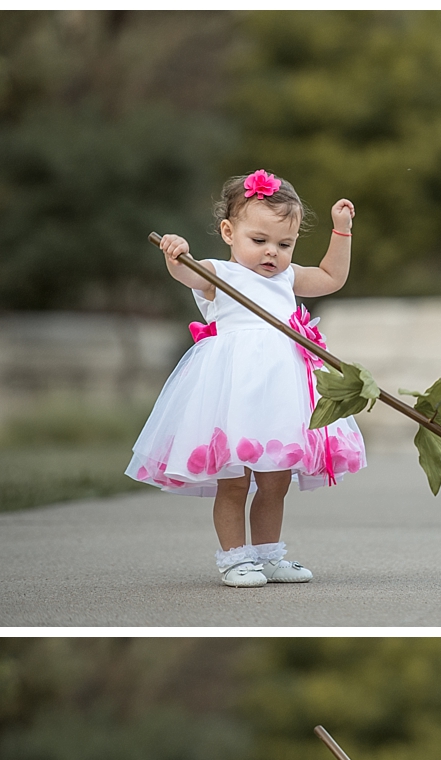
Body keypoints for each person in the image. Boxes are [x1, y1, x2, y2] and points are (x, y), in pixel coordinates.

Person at [127, 170, 367, 588]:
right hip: (234, 394)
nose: (272, 253)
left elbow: (331, 278)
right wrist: (175, 253)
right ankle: (235, 559)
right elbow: (188, 274)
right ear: (228, 231)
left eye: (284, 244)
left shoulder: (287, 279)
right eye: (260, 241)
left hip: (279, 394)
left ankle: (268, 556)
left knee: (275, 482)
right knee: (234, 481)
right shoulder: (219, 274)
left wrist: (341, 232)